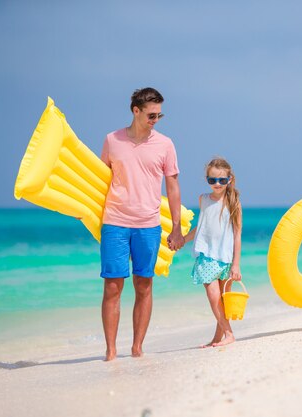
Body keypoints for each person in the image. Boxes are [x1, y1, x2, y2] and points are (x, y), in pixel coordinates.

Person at [99, 87, 185, 361]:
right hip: (115, 221)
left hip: (148, 224)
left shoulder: (165, 144)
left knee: (144, 284)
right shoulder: (113, 140)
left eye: (159, 115)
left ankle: (137, 347)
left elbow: (172, 186)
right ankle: (111, 351)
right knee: (113, 286)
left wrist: (176, 227)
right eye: (151, 115)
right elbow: (100, 180)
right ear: (135, 111)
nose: (155, 120)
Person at [184, 157, 242, 347]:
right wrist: (183, 239)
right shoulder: (204, 199)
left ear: (229, 180)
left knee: (223, 300)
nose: (217, 184)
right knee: (213, 296)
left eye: (222, 180)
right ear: (207, 180)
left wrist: (236, 264)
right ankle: (227, 334)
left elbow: (237, 235)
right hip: (207, 256)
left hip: (226, 258)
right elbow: (200, 228)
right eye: (212, 180)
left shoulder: (233, 203)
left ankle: (223, 336)